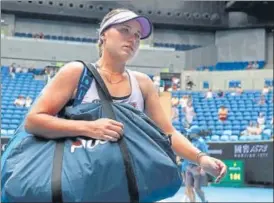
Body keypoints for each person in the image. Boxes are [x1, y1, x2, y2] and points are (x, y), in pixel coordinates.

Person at [25, 8, 226, 192]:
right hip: (80, 185)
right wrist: (88, 128)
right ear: (103, 34)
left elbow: (168, 133)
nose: (133, 39)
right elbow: (33, 121)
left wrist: (201, 158)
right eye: (125, 30)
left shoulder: (142, 83)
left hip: (123, 186)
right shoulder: (76, 73)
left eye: (138, 35)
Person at [183, 126, 209, 203]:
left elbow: (205, 155)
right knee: (188, 188)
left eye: (190, 132)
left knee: (197, 188)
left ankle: (204, 201)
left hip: (197, 168)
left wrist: (203, 168)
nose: (189, 133)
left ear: (195, 133)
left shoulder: (201, 142)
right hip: (188, 167)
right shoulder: (190, 141)